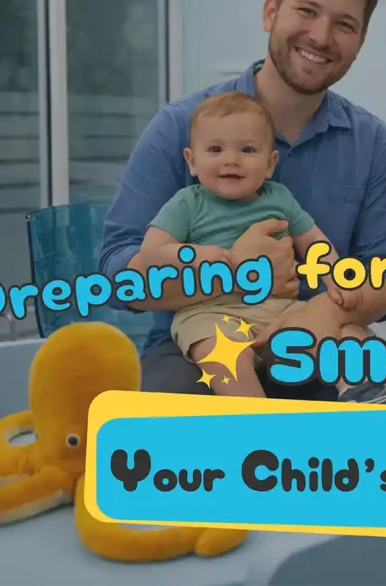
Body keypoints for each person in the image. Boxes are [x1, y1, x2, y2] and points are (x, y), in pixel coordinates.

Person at [99, 0, 386, 407]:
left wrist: (321, 310)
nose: (320, 36)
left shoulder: (370, 142)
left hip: (319, 335)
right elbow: (119, 275)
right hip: (196, 347)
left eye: (344, 25)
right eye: (307, 11)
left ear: (359, 42)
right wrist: (233, 269)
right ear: (270, 12)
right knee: (165, 435)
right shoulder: (180, 127)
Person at [138, 90, 370, 400]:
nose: (231, 160)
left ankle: (364, 392)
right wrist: (198, 256)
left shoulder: (278, 198)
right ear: (191, 161)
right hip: (211, 313)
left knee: (349, 333)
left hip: (281, 310)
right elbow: (152, 252)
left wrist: (337, 275)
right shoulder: (187, 204)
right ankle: (254, 415)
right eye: (216, 149)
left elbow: (313, 240)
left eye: (247, 150)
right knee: (222, 353)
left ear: (270, 163)